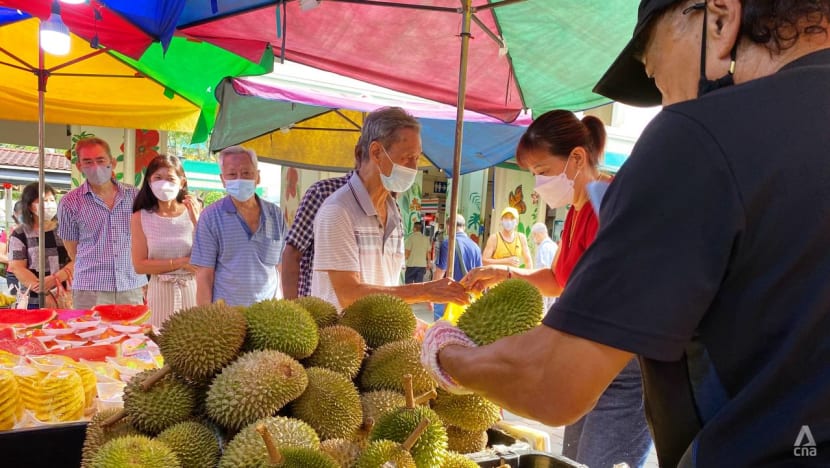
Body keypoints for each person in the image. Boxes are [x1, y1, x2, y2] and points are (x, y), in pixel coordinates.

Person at [423, 1, 830, 466]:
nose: (666, 97)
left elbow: (554, 383)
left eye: (656, 75)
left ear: (719, 18)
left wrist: (447, 355)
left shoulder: (697, 139)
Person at [458, 110, 652, 467]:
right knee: (573, 459)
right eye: (533, 175)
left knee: (599, 463)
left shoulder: (608, 204)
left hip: (624, 364)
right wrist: (504, 275)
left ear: (576, 159)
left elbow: (609, 294)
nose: (538, 185)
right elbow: (559, 279)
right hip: (586, 353)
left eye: (542, 172)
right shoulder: (577, 211)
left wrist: (522, 350)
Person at [310, 107, 468, 311]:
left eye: (417, 158)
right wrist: (425, 290)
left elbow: (389, 287)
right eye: (407, 158)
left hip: (382, 340)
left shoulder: (394, 213)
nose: (413, 168)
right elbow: (349, 294)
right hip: (343, 339)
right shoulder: (338, 211)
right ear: (376, 152)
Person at [57, 137, 147, 309]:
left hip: (130, 285)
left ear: (112, 162)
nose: (95, 166)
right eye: (88, 162)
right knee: (90, 335)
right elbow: (72, 249)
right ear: (79, 167)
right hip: (90, 289)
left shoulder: (135, 196)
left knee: (133, 334)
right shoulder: (69, 202)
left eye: (100, 160)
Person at [191, 146, 285, 307]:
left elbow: (282, 266)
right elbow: (205, 275)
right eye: (232, 174)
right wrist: (206, 319)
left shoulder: (275, 214)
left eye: (247, 173)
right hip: (227, 318)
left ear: (258, 177)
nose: (239, 179)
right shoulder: (210, 217)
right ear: (223, 179)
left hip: (270, 314)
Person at [131, 155, 200, 328]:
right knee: (159, 345)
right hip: (159, 292)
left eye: (170, 178)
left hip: (192, 289)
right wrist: (181, 262)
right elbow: (140, 265)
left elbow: (207, 254)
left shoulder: (195, 211)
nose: (164, 184)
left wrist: (196, 220)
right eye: (158, 178)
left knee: (194, 345)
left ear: (182, 182)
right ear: (149, 181)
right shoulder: (140, 217)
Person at [281, 169, 353, 299]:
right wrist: (291, 309)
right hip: (316, 308)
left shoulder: (390, 205)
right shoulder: (324, 192)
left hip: (363, 313)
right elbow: (292, 253)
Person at [9, 183, 72, 309]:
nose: (49, 204)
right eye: (44, 201)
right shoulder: (20, 233)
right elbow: (17, 267)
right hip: (32, 297)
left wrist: (55, 279)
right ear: (30, 206)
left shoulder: (66, 229)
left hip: (66, 295)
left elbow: (77, 259)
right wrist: (43, 291)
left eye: (52, 200)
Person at [432, 214, 483, 320]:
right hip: (467, 298)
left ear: (448, 226)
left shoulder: (448, 243)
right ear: (464, 227)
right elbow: (480, 277)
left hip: (449, 296)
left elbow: (440, 272)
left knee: (442, 332)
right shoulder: (476, 247)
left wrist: (432, 295)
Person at [530, 222, 558, 311]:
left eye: (534, 235)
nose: (534, 238)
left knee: (542, 310)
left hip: (543, 285)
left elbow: (543, 268)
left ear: (540, 234)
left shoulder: (544, 248)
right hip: (553, 285)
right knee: (550, 309)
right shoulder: (554, 246)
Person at [1, 201, 23, 295]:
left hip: (33, 275)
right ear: (15, 214)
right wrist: (16, 262)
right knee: (16, 302)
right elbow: (1, 256)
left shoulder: (35, 232)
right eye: (22, 214)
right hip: (13, 274)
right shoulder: (7, 233)